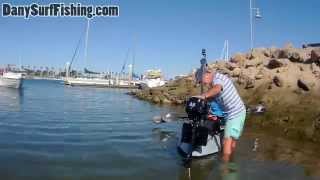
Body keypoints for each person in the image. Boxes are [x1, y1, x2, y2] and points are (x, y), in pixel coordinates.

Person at [198, 68, 246, 162]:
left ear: (206, 74)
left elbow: (217, 88)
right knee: (232, 140)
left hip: (235, 113)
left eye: (201, 80)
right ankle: (231, 161)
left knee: (226, 141)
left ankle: (225, 168)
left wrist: (203, 95)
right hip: (238, 112)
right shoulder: (214, 83)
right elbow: (214, 98)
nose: (202, 83)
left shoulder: (217, 78)